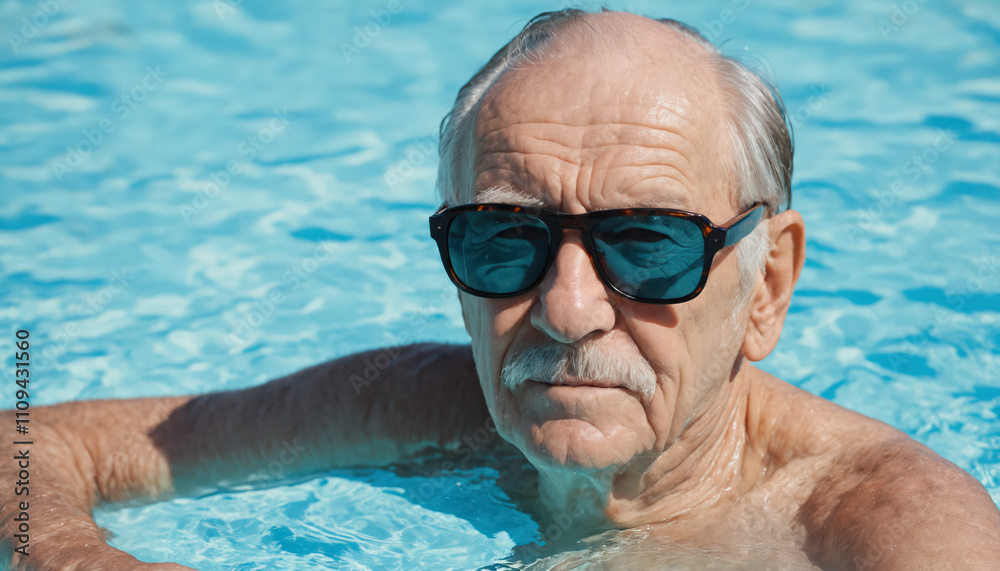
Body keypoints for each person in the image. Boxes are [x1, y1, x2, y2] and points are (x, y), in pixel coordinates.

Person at [3, 9, 999, 570]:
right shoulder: (430, 411)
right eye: (503, 238)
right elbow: (25, 446)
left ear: (767, 282)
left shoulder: (885, 538)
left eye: (646, 244)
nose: (566, 309)